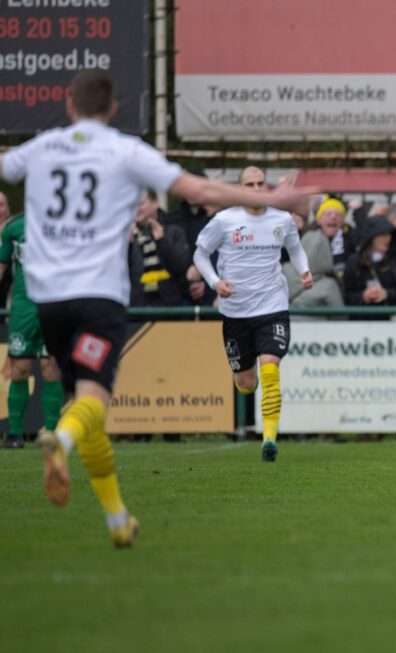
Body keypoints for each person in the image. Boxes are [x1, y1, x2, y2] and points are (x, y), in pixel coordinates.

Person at [0, 70, 315, 547]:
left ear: (69, 106)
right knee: (91, 401)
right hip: (98, 295)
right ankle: (59, 440)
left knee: (84, 403)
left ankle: (116, 519)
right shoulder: (126, 151)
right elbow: (202, 193)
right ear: (113, 109)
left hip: (47, 296)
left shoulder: (42, 148)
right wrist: (269, 197)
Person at [193, 166, 313, 463]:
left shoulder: (282, 219)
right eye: (250, 184)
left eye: (261, 183)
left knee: (270, 365)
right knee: (246, 382)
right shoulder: (224, 220)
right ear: (241, 186)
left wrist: (304, 271)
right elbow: (200, 254)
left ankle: (269, 439)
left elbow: (295, 249)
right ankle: (246, 380)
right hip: (236, 311)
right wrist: (215, 282)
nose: (257, 188)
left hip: (272, 305)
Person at [0, 210, 64, 449]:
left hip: (54, 305)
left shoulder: (65, 222)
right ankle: (15, 434)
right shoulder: (14, 228)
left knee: (51, 367)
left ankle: (51, 433)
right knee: (19, 369)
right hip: (23, 307)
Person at [343, 216, 396, 315]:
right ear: (371, 237)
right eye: (382, 234)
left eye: (389, 234)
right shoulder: (354, 262)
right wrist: (363, 296)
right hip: (364, 321)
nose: (387, 238)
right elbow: (346, 294)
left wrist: (388, 294)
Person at [128, 190, 192, 307]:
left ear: (156, 203)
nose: (136, 209)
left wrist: (162, 241)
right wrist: (128, 245)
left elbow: (182, 268)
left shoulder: (174, 231)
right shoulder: (128, 236)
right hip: (137, 308)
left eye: (141, 204)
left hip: (170, 307)